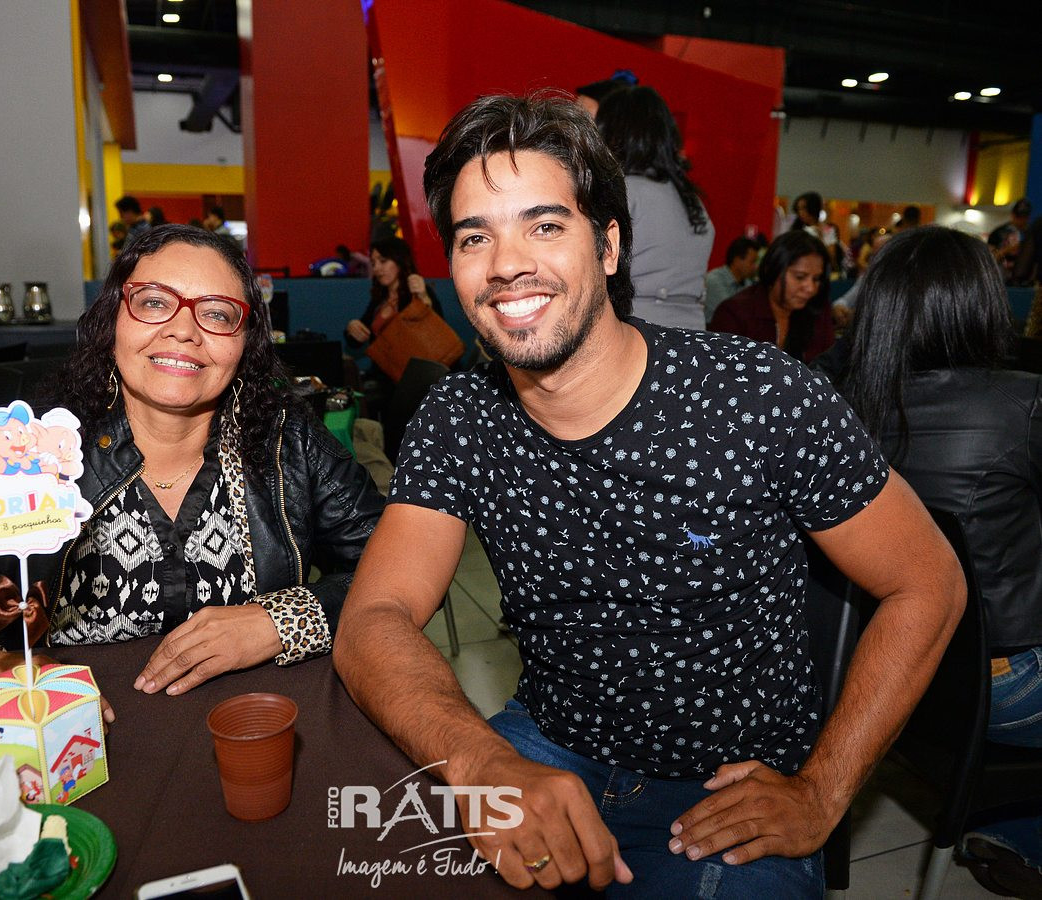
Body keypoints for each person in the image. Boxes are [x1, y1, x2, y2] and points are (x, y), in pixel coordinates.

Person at [332, 93, 963, 897]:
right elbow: (374, 617)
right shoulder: (460, 416)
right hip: (543, 745)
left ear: (607, 246)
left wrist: (822, 789)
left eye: (544, 226)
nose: (505, 263)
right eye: (473, 237)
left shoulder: (757, 395)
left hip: (725, 787)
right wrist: (481, 760)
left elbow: (927, 583)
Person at [0, 224, 383, 708]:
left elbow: (395, 568)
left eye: (217, 313)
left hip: (255, 722)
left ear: (246, 341)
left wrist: (281, 620)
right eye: (154, 302)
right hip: (76, 743)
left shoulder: (288, 439)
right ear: (112, 318)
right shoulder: (23, 453)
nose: (184, 330)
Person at [836, 225, 1042, 896]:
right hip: (1003, 684)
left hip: (889, 674)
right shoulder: (1021, 403)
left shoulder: (841, 406)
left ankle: (1014, 831)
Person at [596, 86, 714, 330]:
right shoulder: (692, 200)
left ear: (611, 133)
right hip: (693, 330)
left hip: (636, 331)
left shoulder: (624, 193)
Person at [709, 230, 836, 363]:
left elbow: (826, 367)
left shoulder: (818, 310)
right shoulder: (734, 314)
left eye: (816, 279)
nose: (810, 288)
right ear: (773, 270)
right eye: (800, 277)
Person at [344, 235, 443, 349]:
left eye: (383, 261)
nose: (376, 268)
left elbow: (438, 335)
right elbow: (358, 340)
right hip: (382, 360)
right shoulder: (380, 298)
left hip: (416, 359)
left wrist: (424, 299)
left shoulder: (417, 292)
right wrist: (352, 329)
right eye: (373, 263)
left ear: (399, 261)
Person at [703, 235, 758, 323]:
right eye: (752, 262)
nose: (755, 267)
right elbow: (731, 312)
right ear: (737, 260)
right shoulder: (714, 280)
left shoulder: (748, 283)